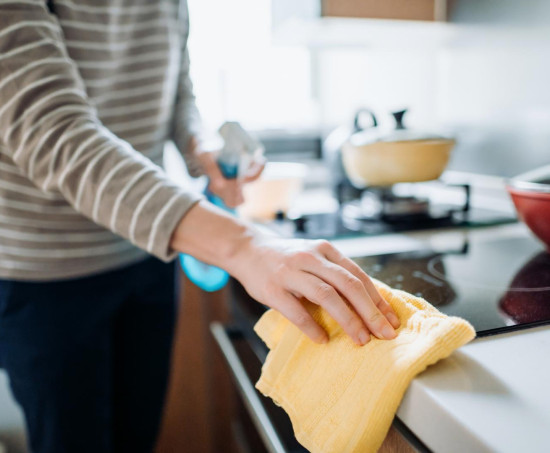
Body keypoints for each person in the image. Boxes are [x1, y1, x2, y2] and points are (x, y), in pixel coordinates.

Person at [0, 1, 400, 452]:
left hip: (146, 255)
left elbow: (176, 94)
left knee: (137, 439)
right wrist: (248, 247)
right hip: (46, 276)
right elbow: (53, 134)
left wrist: (201, 146)